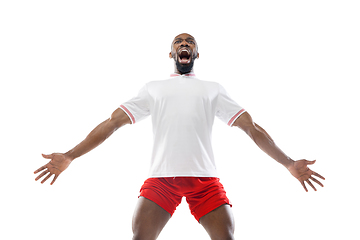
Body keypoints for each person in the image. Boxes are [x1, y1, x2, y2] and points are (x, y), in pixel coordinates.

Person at [34, 33, 325, 240]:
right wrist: (71, 155)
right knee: (140, 236)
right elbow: (112, 123)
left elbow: (252, 128)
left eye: (190, 43)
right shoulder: (153, 88)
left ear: (196, 54)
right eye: (178, 42)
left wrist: (288, 163)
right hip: (162, 179)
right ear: (172, 54)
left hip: (205, 181)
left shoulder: (212, 88)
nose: (184, 45)